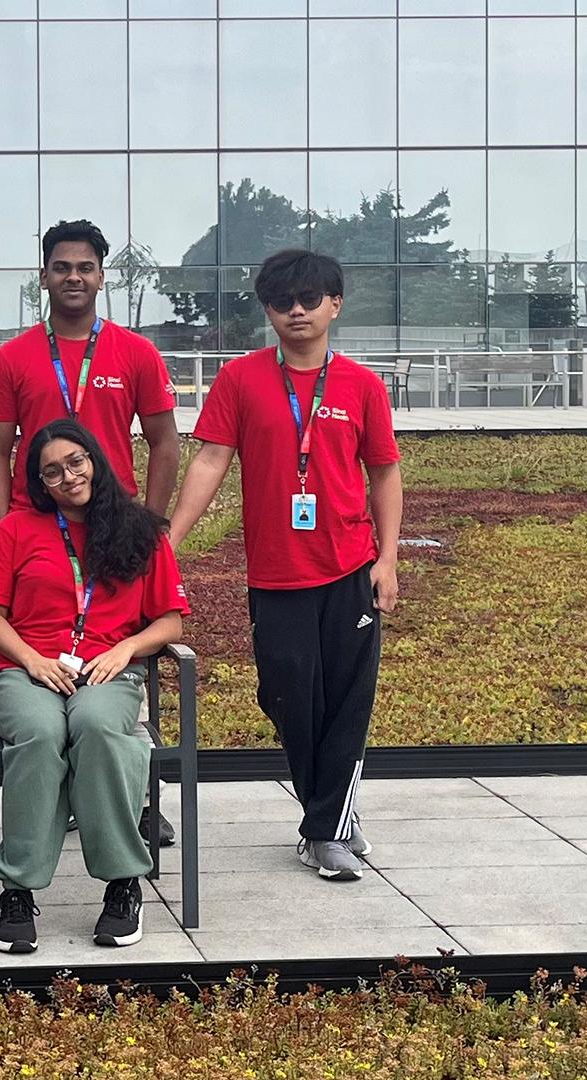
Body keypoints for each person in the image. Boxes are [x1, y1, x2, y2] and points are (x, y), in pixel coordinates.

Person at [167, 249, 402, 883]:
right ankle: (331, 818)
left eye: (309, 299)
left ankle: (325, 828)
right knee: (288, 699)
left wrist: (387, 559)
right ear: (267, 310)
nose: (296, 311)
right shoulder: (241, 380)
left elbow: (384, 473)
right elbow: (211, 461)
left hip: (349, 568)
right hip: (275, 575)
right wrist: (169, 541)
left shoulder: (360, 385)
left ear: (335, 304)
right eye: (281, 302)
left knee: (348, 705)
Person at [0, 419, 189, 955]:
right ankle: (17, 890)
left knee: (95, 726)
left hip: (107, 669)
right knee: (43, 733)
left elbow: (170, 623)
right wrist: (31, 658)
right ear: (39, 484)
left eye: (75, 462)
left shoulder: (141, 530)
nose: (67, 477)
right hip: (26, 668)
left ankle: (122, 884)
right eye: (51, 472)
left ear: (95, 459)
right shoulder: (16, 531)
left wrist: (125, 649)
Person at [0, 219, 180, 525]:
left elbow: (164, 441)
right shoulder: (10, 358)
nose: (74, 277)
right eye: (62, 268)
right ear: (44, 278)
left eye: (85, 268)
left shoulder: (138, 353)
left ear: (100, 278)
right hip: (34, 517)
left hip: (114, 518)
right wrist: (2, 531)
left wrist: (150, 523)